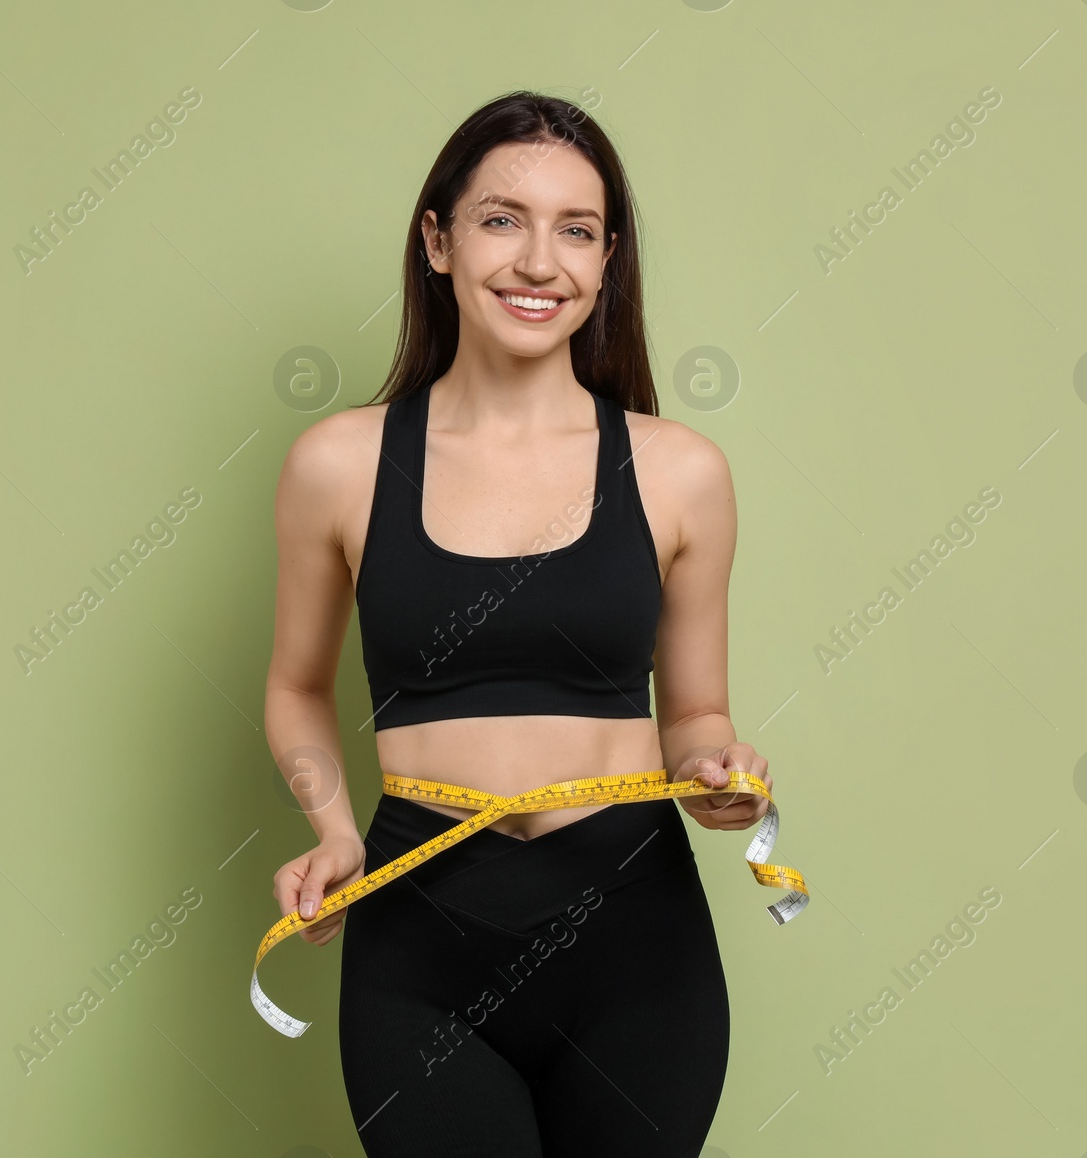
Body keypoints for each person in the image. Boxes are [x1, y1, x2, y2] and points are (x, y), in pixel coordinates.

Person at [265, 90, 775, 1158]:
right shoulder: (339, 464)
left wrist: (716, 768)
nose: (539, 261)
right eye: (502, 219)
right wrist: (332, 828)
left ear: (605, 261)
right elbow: (298, 687)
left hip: (637, 940)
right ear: (438, 241)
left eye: (576, 230)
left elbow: (692, 709)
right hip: (420, 936)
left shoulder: (681, 471)